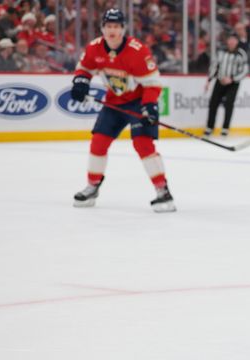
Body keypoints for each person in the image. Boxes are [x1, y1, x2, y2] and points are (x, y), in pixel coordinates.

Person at [70, 7, 175, 212]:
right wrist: (81, 82)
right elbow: (84, 68)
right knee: (98, 142)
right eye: (108, 26)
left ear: (123, 29)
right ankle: (92, 186)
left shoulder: (138, 51)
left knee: (143, 144)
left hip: (138, 102)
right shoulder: (94, 48)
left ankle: (163, 191)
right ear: (102, 28)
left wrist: (150, 106)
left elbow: (152, 83)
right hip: (114, 102)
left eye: (116, 26)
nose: (112, 31)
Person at [203, 33, 248, 137]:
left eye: (234, 40)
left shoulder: (241, 54)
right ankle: (210, 127)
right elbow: (215, 66)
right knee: (213, 103)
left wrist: (232, 79)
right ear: (227, 41)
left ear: (237, 42)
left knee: (229, 104)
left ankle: (225, 128)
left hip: (233, 83)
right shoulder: (221, 52)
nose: (232, 42)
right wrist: (209, 80)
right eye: (230, 39)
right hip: (220, 81)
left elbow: (244, 71)